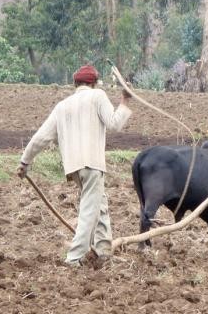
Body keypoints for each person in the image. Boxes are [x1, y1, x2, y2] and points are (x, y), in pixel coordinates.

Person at [17, 64, 132, 267]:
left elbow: (41, 138)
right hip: (92, 164)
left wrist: (25, 161)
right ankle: (74, 258)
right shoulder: (97, 96)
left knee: (99, 205)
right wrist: (124, 100)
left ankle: (103, 250)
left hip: (73, 167)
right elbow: (114, 124)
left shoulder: (62, 106)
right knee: (89, 210)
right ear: (94, 83)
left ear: (75, 84)